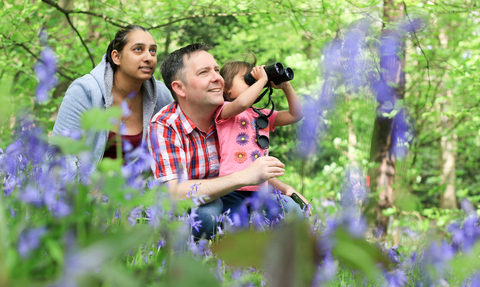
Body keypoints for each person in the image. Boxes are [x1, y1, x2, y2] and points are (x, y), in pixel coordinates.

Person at [147, 43, 304, 239]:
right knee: (207, 215)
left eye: (216, 70)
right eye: (204, 72)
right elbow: (174, 191)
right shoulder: (166, 125)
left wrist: (282, 187)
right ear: (180, 88)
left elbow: (251, 163)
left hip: (248, 193)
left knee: (291, 209)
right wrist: (244, 177)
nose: (217, 78)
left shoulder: (245, 117)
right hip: (206, 202)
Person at [50, 25, 173, 175]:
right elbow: (61, 154)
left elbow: (169, 155)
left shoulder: (160, 95)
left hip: (138, 194)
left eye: (152, 50)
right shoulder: (85, 91)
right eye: (138, 49)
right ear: (116, 57)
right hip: (84, 192)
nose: (148, 57)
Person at [217, 58, 308, 216]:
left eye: (253, 80)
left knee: (270, 224)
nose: (254, 83)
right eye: (247, 79)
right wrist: (262, 79)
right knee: (236, 227)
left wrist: (286, 86)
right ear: (226, 88)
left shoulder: (262, 115)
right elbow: (242, 104)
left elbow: (296, 115)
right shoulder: (224, 110)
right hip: (231, 188)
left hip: (260, 189)